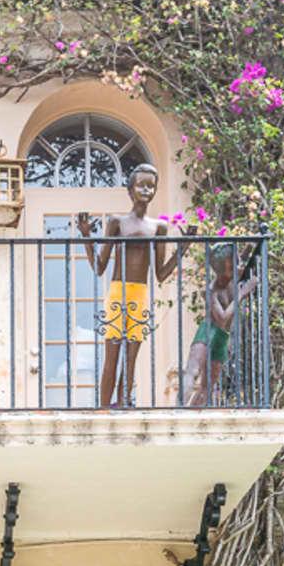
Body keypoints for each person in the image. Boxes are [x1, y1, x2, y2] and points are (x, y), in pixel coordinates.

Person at [77, 163, 180, 408]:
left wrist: (183, 249)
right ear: (131, 189)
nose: (146, 190)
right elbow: (100, 266)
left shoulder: (159, 227)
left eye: (151, 186)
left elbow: (161, 273)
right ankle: (104, 407)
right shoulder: (117, 222)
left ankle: (124, 403)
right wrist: (86, 237)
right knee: (112, 352)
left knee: (132, 356)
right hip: (118, 290)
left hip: (140, 292)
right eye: (141, 185)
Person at [183, 243, 256, 406]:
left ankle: (192, 414)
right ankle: (179, 408)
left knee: (207, 386)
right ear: (219, 270)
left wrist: (250, 247)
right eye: (229, 269)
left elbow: (242, 260)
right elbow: (222, 318)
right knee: (193, 371)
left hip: (223, 336)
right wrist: (242, 294)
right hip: (209, 330)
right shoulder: (211, 291)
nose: (233, 272)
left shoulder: (233, 276)